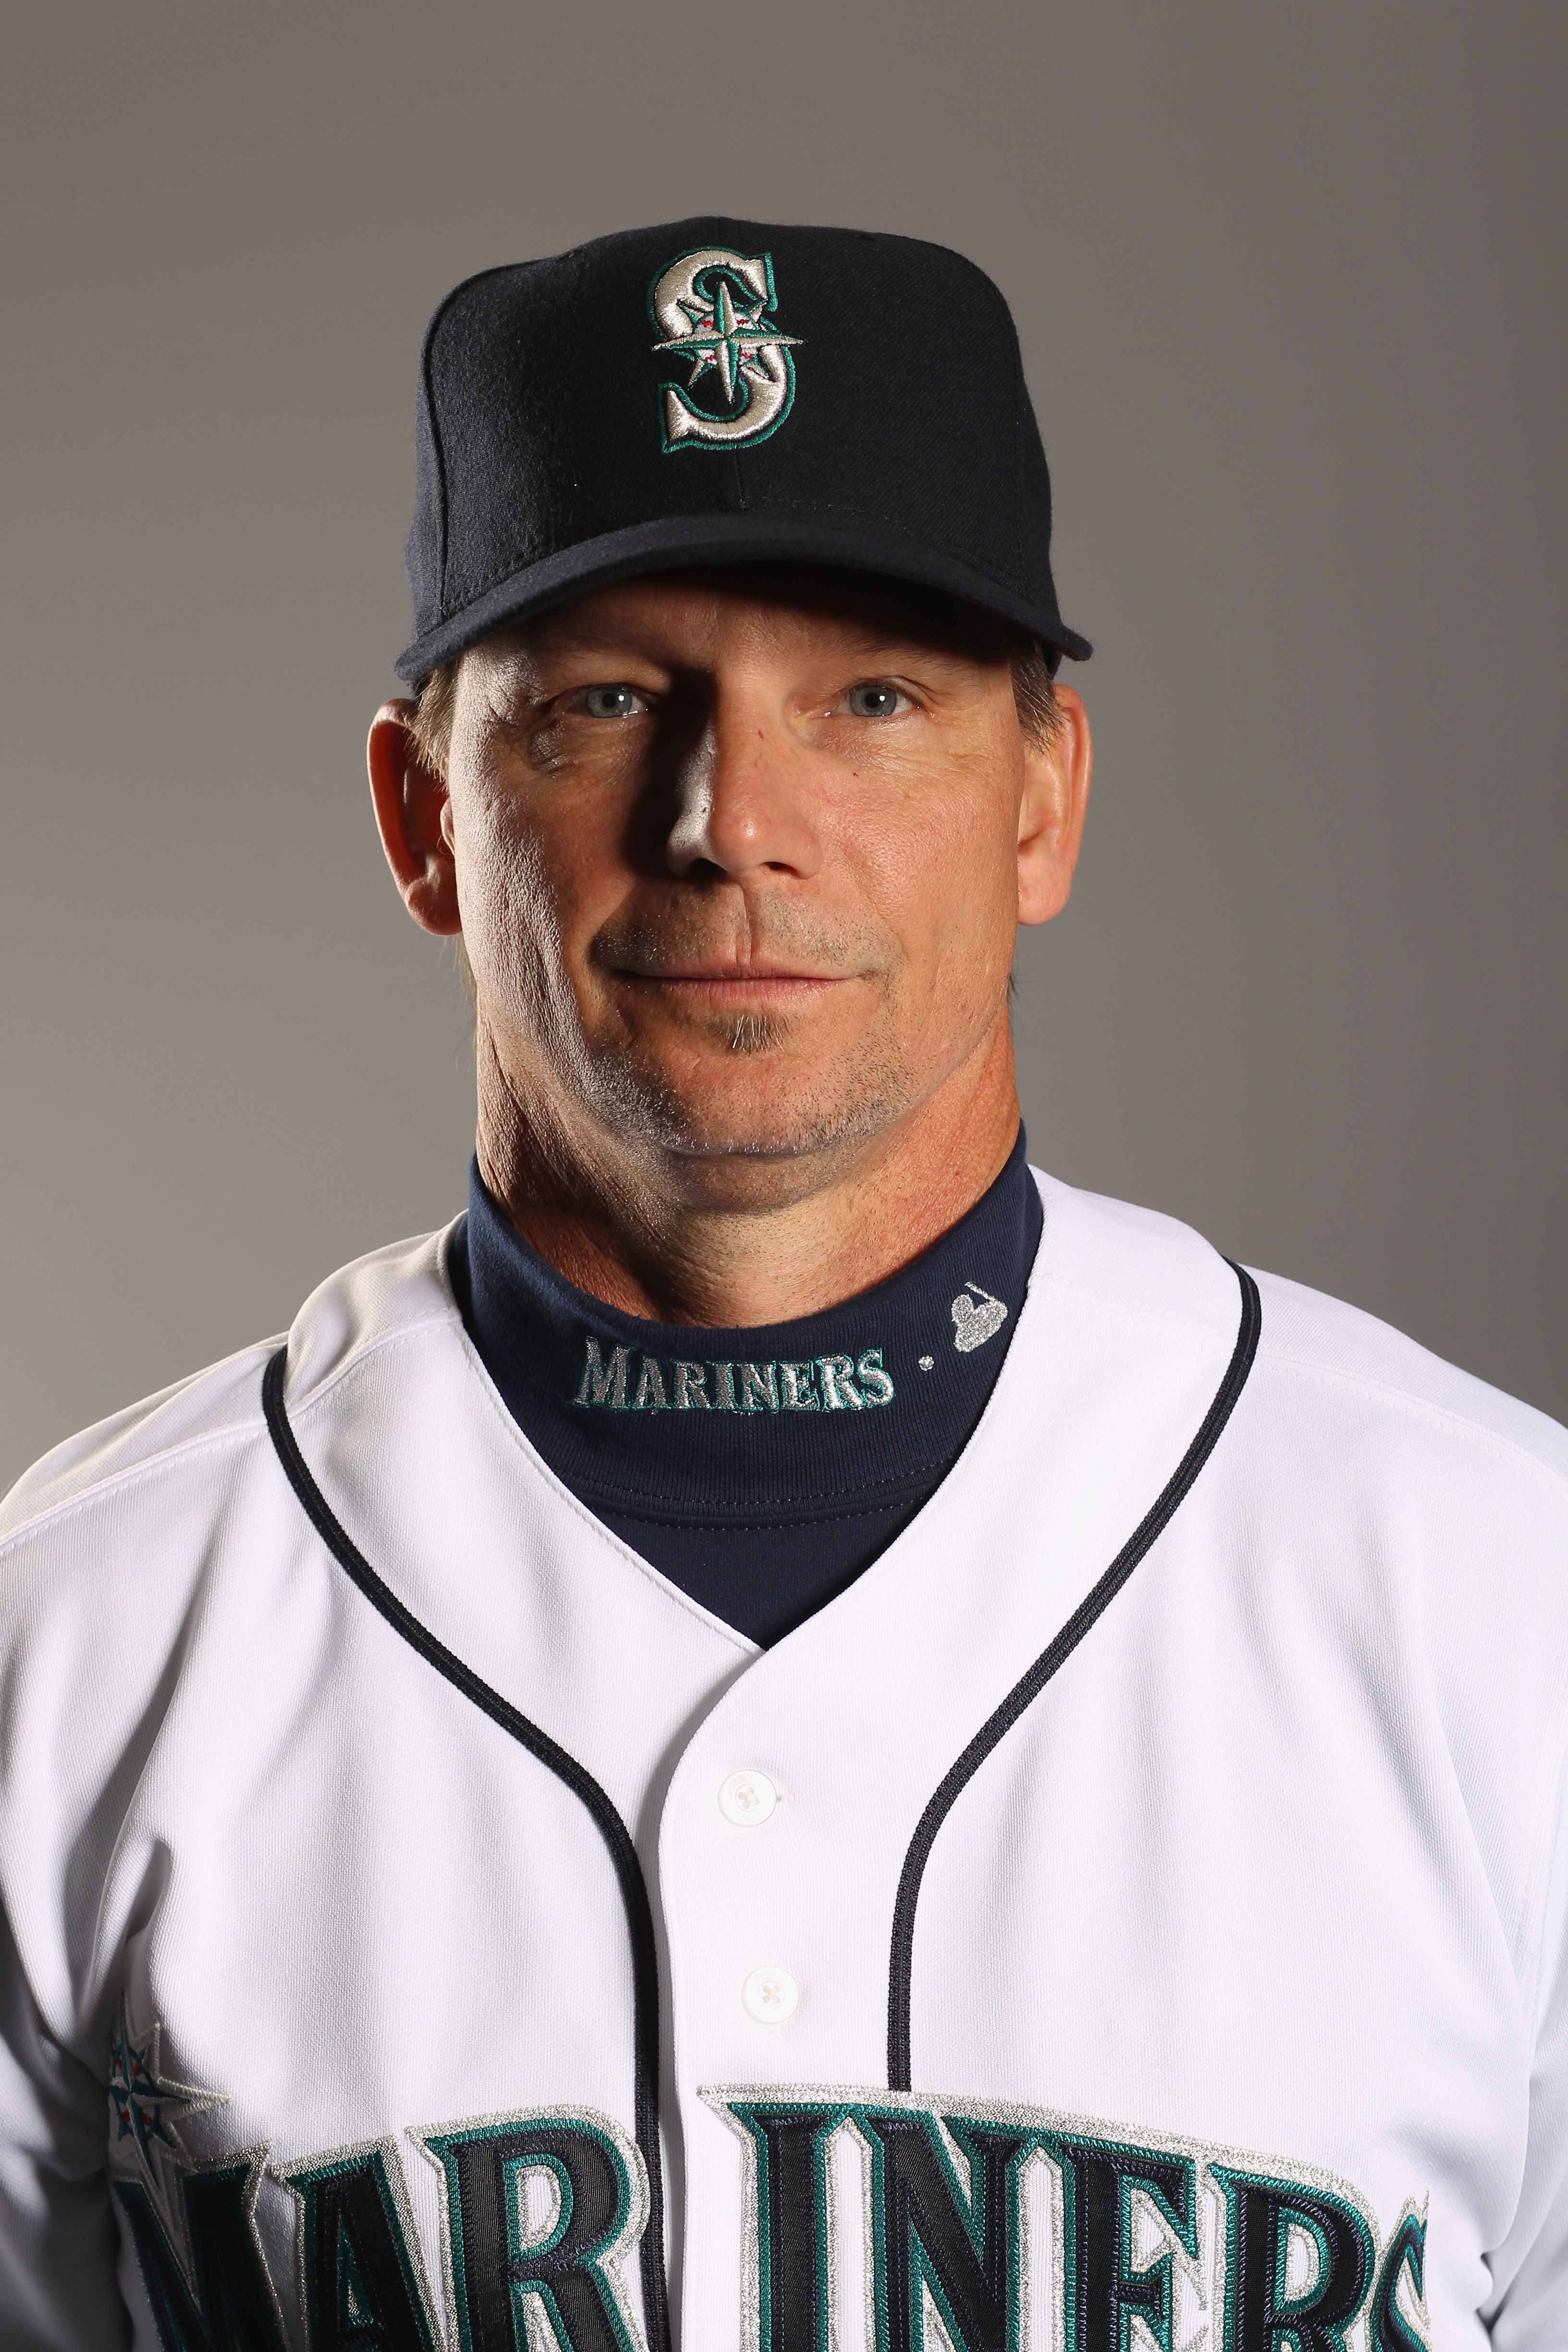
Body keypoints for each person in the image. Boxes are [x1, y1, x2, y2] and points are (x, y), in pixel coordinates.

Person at [0, 216, 1561, 2352]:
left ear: (1045, 797)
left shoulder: (1507, 1596)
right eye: (609, 701)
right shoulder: (64, 1645)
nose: (737, 820)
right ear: (422, 816)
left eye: (879, 699)